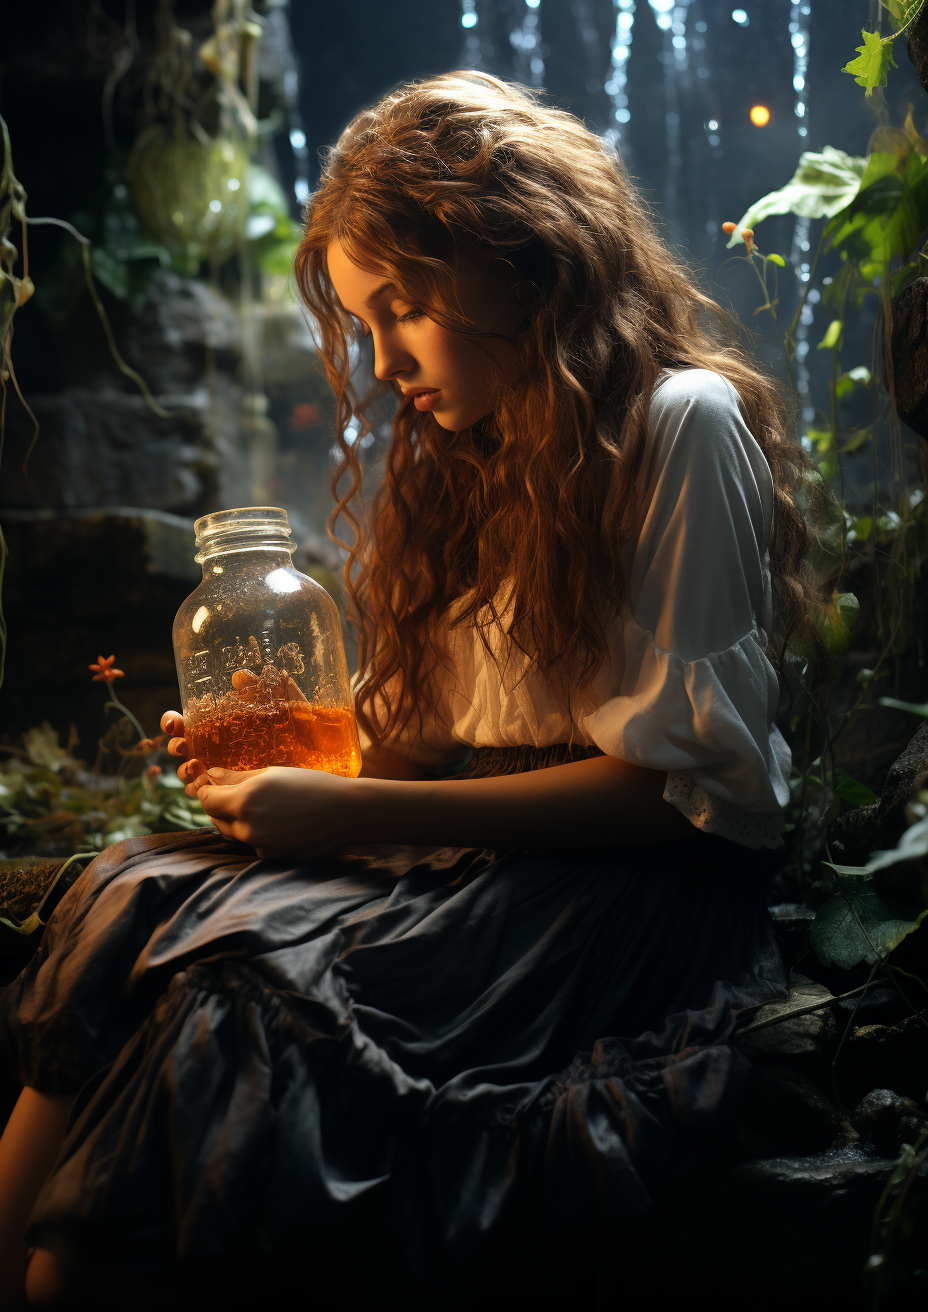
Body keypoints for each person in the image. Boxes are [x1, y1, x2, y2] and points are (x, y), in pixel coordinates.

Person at [0, 70, 827, 1308]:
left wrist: (354, 817)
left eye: (401, 307)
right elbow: (410, 757)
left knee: (238, 978)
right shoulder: (461, 464)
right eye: (360, 323)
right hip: (468, 862)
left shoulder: (678, 421)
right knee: (134, 886)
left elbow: (677, 798)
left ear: (526, 255)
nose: (383, 361)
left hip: (622, 898)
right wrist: (290, 777)